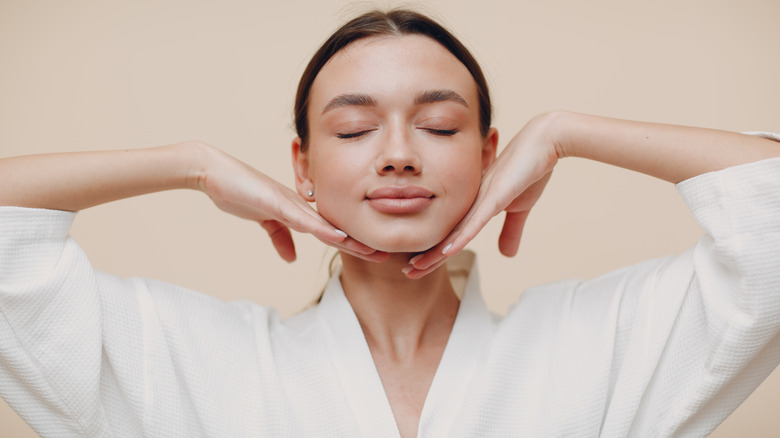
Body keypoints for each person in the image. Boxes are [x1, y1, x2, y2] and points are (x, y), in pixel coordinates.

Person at [1, 8, 779, 438]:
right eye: (353, 131)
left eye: (440, 128)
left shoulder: (592, 344)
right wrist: (189, 162)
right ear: (301, 167)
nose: (400, 154)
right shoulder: (193, 358)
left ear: (492, 157)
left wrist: (569, 131)